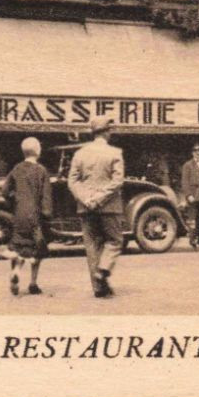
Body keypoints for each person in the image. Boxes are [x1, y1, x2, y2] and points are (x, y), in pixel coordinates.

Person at [67, 117, 125, 298]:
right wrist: (99, 198)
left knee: (92, 245)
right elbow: (117, 181)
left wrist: (86, 198)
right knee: (115, 241)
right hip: (109, 207)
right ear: (107, 132)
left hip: (86, 207)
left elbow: (72, 181)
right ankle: (103, 269)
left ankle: (99, 288)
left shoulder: (80, 153)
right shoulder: (115, 153)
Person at [3, 137, 53, 296]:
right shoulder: (41, 171)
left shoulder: (16, 169)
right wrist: (47, 214)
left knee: (18, 246)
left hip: (19, 214)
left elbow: (5, 191)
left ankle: (16, 271)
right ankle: (33, 283)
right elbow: (46, 196)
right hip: (35, 215)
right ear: (38, 151)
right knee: (37, 248)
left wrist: (15, 200)